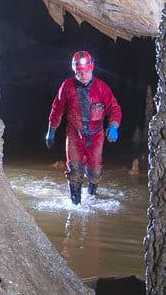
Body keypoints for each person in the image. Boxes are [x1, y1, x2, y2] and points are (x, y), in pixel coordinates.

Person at [45, 50, 122, 204]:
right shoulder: (67, 86)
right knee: (74, 170)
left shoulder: (101, 88)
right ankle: (76, 206)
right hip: (75, 133)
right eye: (80, 73)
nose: (83, 75)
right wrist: (51, 131)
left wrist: (113, 125)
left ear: (92, 69)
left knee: (95, 172)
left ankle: (92, 196)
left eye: (86, 71)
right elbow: (57, 108)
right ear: (75, 71)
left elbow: (114, 108)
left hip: (96, 134)